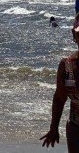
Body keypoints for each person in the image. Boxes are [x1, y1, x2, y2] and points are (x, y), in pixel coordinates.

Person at [41, 14, 79, 150]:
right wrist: (53, 128)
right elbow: (59, 98)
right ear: (74, 35)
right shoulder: (66, 65)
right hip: (76, 128)